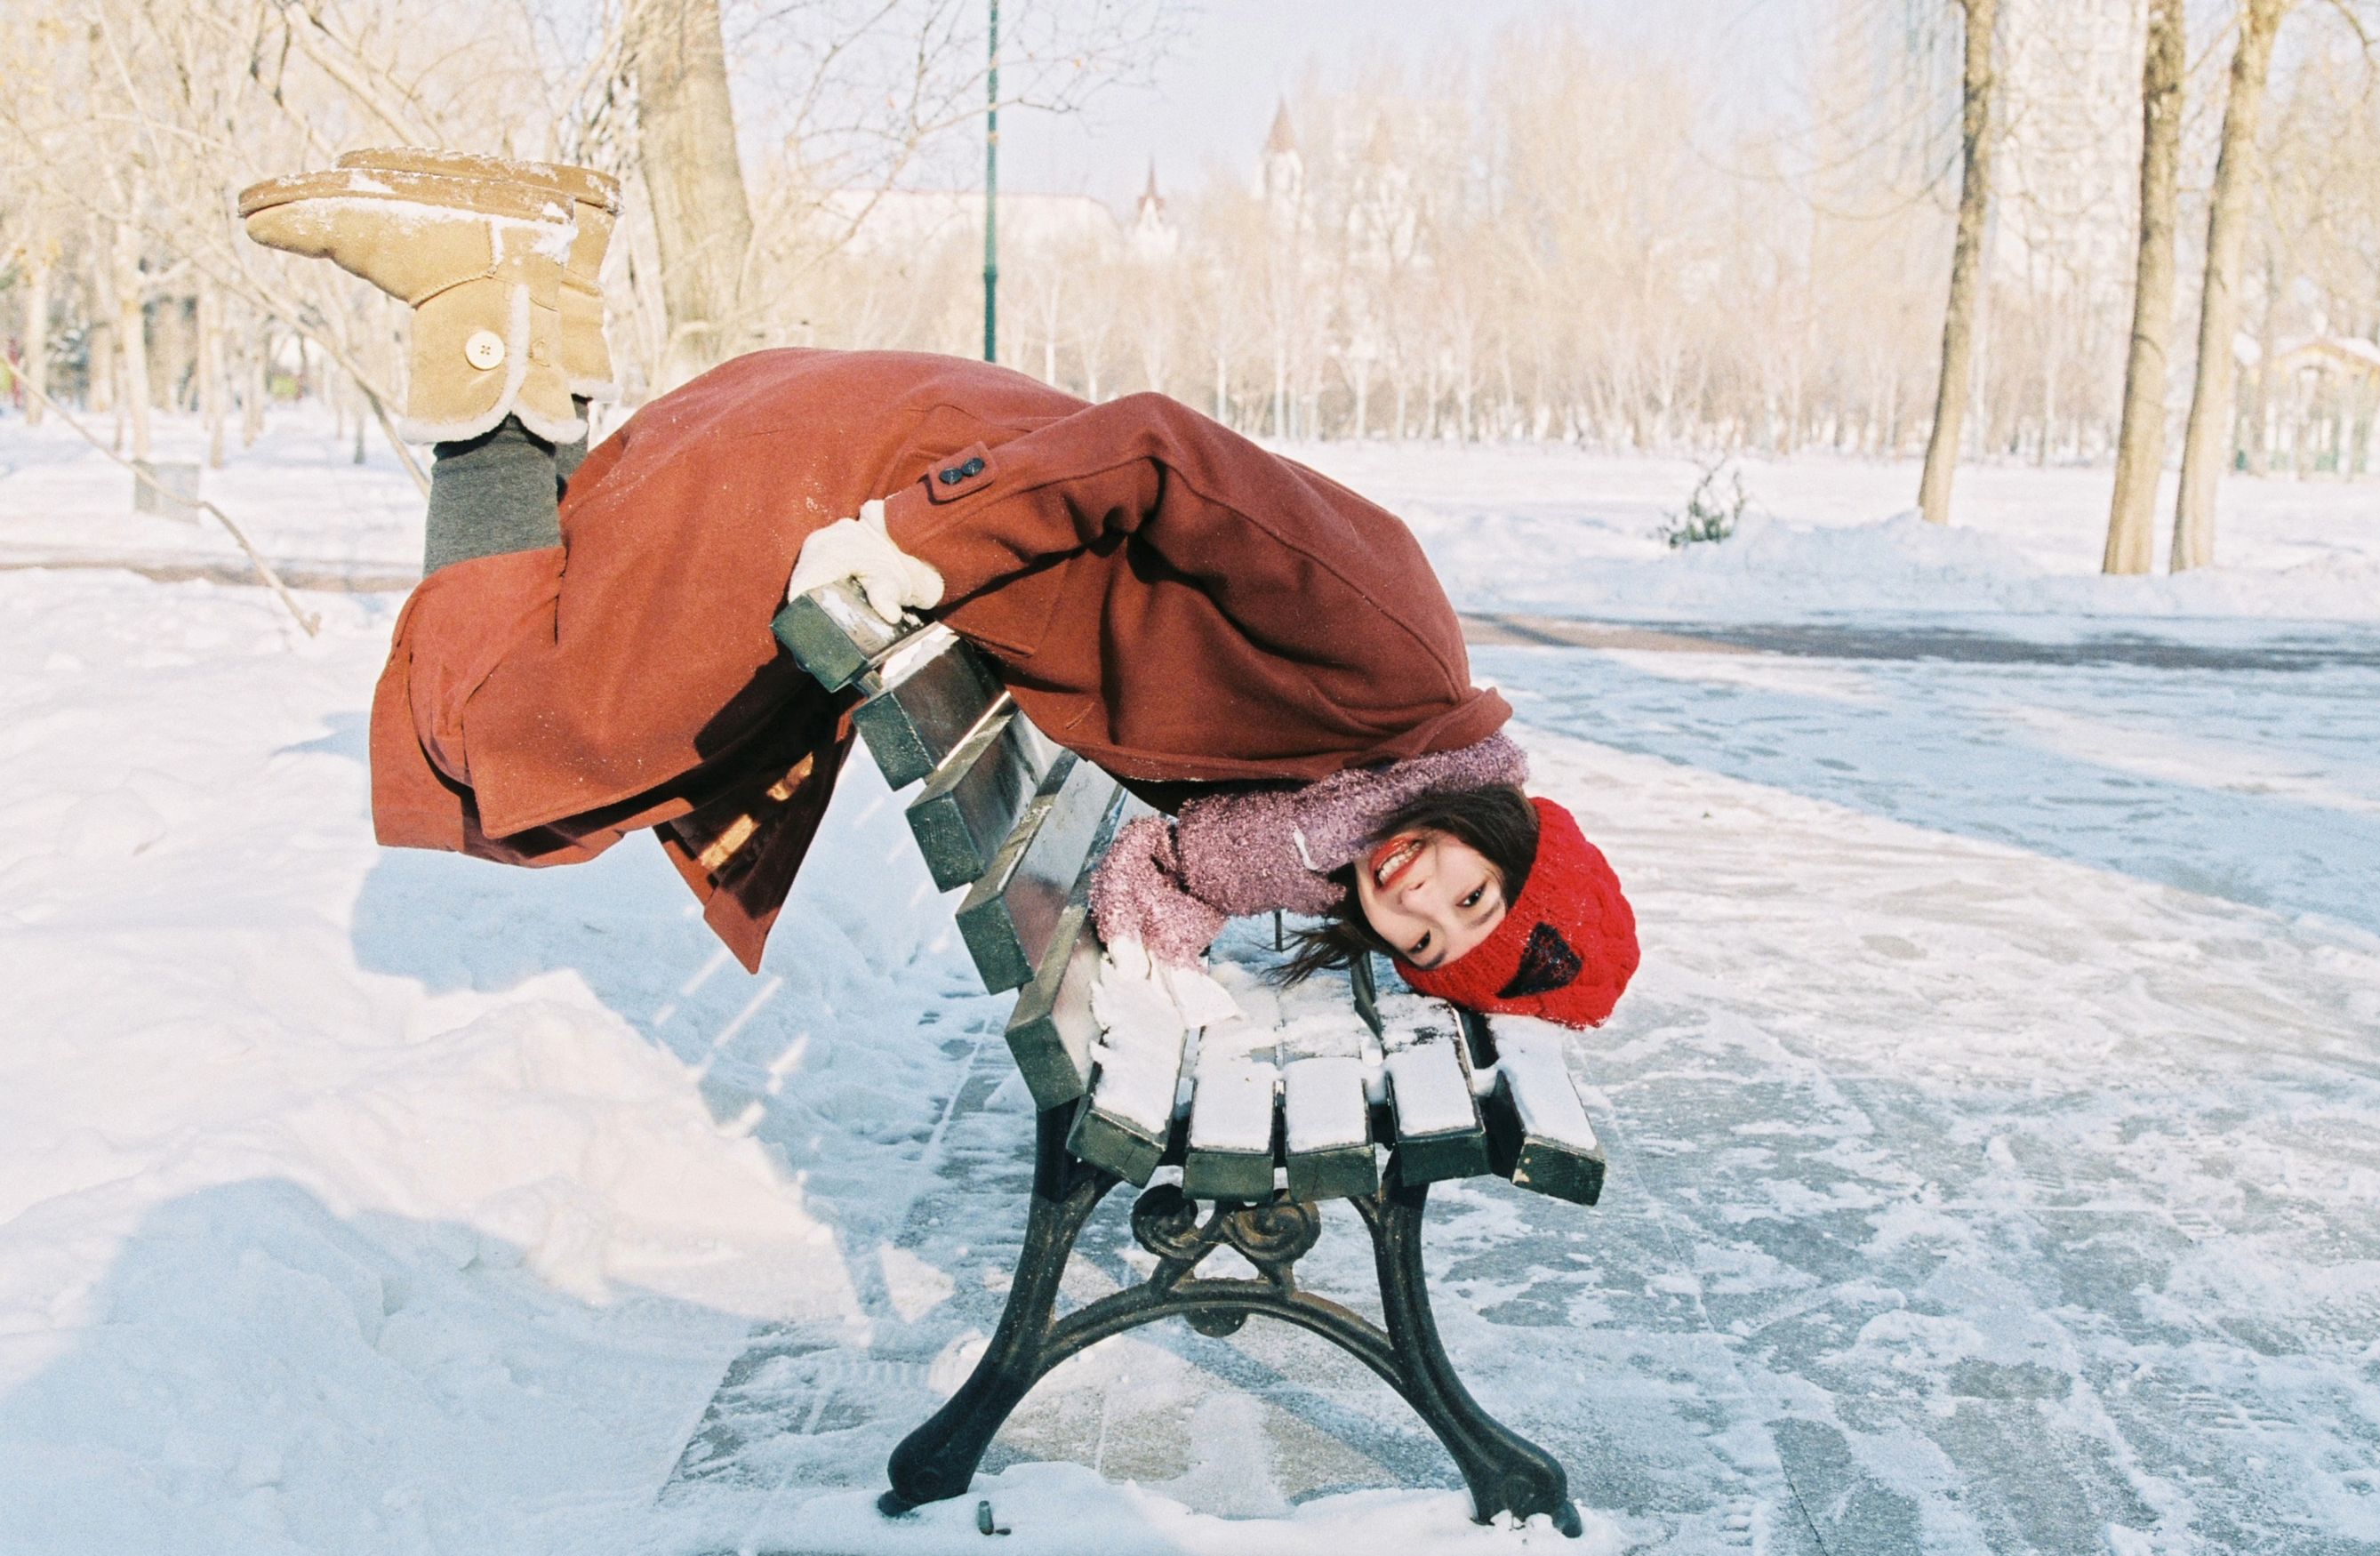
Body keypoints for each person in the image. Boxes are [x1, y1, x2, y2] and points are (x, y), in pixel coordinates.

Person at [237, 151, 1639, 1028]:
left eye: (1437, 942)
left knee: (582, 764)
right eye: (1479, 887)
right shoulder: (1396, 662)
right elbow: (1163, 448)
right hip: (880, 475)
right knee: (516, 742)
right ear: (1507, 824)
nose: (1425, 903)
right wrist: (919, 544)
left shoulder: (1330, 801)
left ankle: (537, 302)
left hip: (899, 474)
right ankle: (483, 312)